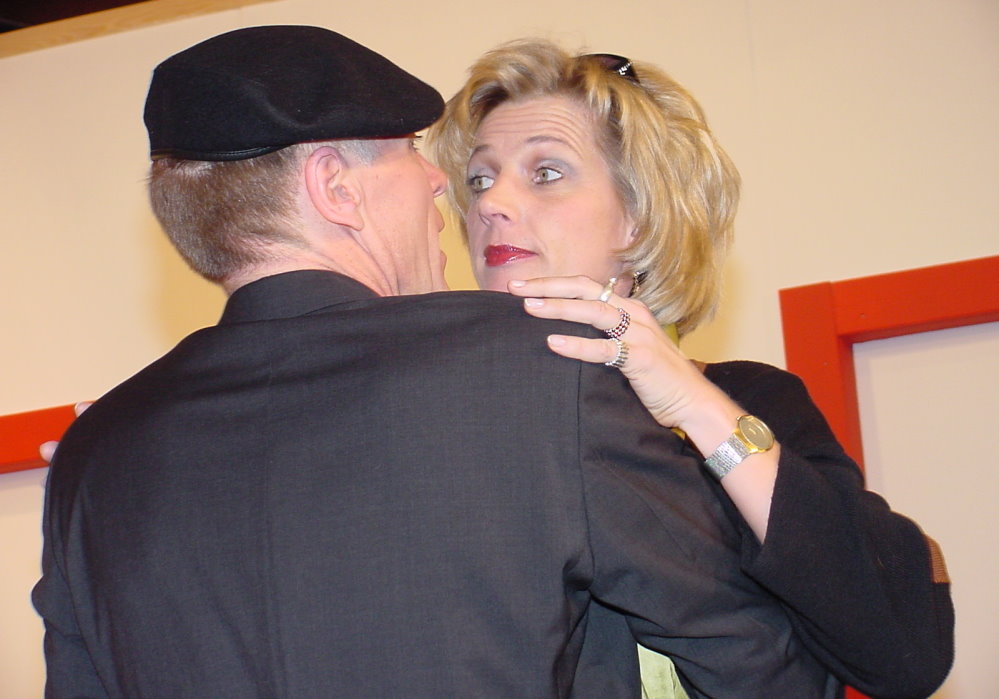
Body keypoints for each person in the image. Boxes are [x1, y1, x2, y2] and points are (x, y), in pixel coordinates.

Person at [32, 26, 838, 698]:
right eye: (409, 153)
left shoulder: (93, 456)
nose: (441, 186)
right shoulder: (539, 373)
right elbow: (760, 669)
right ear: (334, 188)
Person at [426, 38, 955, 698]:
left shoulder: (747, 398)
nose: (489, 203)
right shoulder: (440, 418)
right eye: (480, 178)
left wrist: (693, 405)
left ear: (639, 217)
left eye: (546, 172)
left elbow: (903, 651)